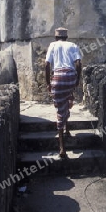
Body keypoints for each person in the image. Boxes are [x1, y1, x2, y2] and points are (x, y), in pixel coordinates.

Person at [45, 27, 82, 158]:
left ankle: (62, 148)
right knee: (68, 98)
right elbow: (78, 63)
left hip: (58, 78)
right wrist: (77, 80)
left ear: (56, 37)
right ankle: (67, 129)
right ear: (66, 37)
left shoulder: (53, 45)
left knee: (60, 110)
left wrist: (48, 83)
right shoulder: (73, 45)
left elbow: (47, 65)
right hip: (71, 76)